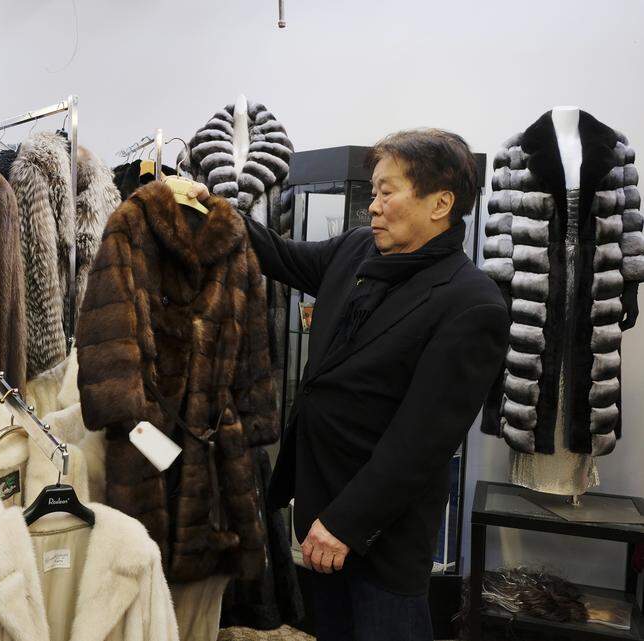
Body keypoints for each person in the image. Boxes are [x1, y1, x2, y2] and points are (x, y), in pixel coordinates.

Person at [191, 129, 508, 641]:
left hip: (381, 535)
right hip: (319, 504)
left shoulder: (472, 304)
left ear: (440, 203)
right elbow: (280, 255)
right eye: (374, 192)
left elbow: (420, 444)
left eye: (387, 192)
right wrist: (211, 210)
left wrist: (346, 524)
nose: (374, 206)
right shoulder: (360, 250)